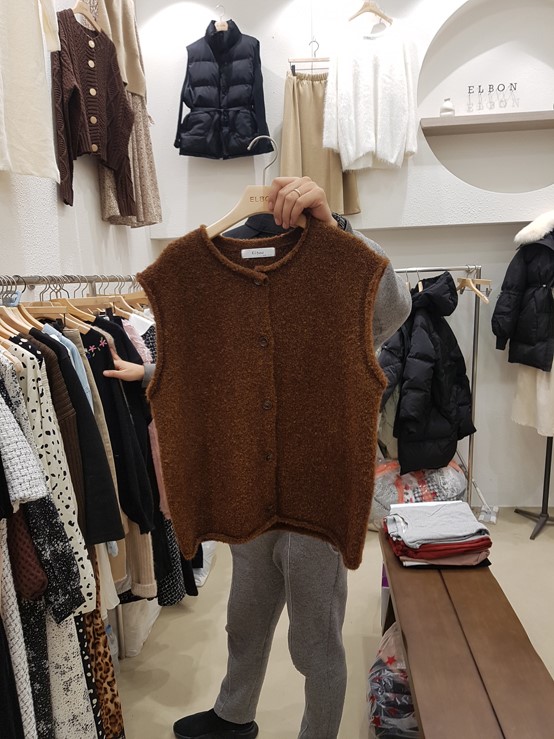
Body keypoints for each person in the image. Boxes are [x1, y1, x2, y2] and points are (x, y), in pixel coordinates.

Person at [104, 177, 411, 739]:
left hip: (316, 497)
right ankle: (233, 715)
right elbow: (208, 368)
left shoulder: (337, 274)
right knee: (244, 618)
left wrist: (339, 230)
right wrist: (149, 373)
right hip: (245, 488)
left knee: (314, 640)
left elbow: (393, 306)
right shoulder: (193, 278)